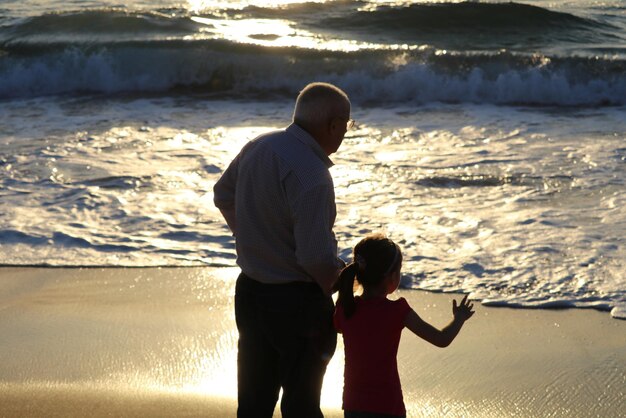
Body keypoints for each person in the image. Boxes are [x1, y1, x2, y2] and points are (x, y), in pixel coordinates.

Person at [213, 82, 353, 418]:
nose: (346, 133)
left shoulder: (260, 146)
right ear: (333, 125)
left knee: (253, 403)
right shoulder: (313, 176)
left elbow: (222, 194)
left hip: (251, 291)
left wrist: (252, 236)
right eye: (347, 126)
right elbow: (314, 258)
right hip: (297, 303)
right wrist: (341, 290)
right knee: (302, 406)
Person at [334, 234, 475, 418]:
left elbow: (338, 327)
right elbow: (441, 339)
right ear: (391, 276)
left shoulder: (346, 309)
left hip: (353, 405)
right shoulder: (397, 311)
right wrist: (459, 318)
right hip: (387, 404)